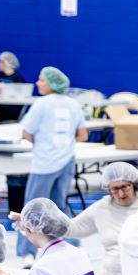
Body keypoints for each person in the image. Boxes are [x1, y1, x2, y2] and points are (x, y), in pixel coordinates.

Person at [16, 66, 88, 262]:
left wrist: (41, 144)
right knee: (60, 207)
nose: (38, 83)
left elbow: (26, 132)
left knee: (31, 209)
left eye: (42, 80)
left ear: (52, 84)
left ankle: (27, 253)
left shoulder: (41, 104)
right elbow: (83, 135)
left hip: (44, 164)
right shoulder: (73, 104)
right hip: (66, 162)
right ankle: (69, 246)